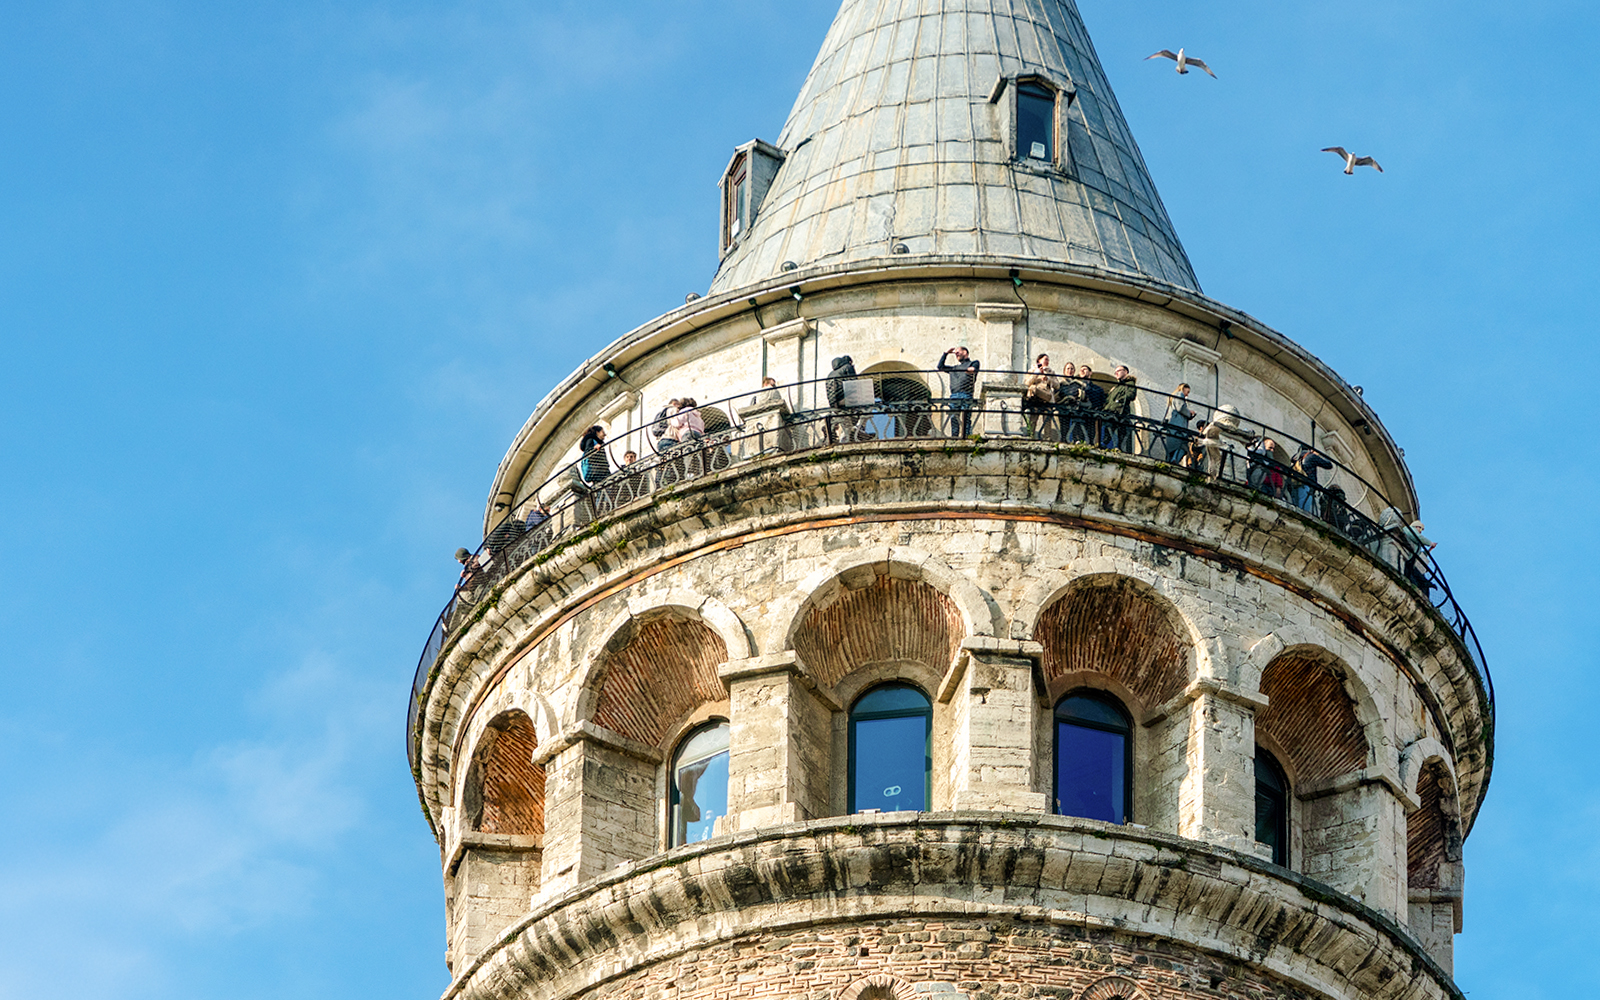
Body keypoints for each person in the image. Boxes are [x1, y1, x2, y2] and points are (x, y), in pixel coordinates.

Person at [937, 346, 980, 437]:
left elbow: (973, 369)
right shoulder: (954, 368)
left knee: (966, 417)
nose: (956, 354)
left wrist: (970, 370)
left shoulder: (974, 362)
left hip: (966, 393)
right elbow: (940, 367)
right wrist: (946, 353)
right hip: (954, 395)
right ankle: (954, 437)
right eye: (955, 353)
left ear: (965, 352)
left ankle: (967, 436)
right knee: (954, 418)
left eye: (958, 352)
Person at [1022, 353, 1059, 439]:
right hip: (1035, 399)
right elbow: (1027, 383)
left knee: (1047, 420)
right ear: (1039, 360)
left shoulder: (1051, 372)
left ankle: (1047, 438)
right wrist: (1036, 374)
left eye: (1048, 360)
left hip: (1047, 398)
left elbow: (1057, 385)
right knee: (1033, 419)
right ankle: (1031, 437)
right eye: (1045, 359)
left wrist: (1048, 379)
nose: (1047, 361)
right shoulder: (1032, 370)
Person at [1102, 365, 1137, 452]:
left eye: (1119, 371)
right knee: (1108, 430)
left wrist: (1119, 400)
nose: (1116, 373)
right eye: (1115, 372)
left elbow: (1131, 395)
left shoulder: (1129, 384)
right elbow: (1108, 400)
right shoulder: (1116, 387)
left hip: (1121, 411)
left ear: (1125, 372)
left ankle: (1118, 447)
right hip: (1111, 412)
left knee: (1120, 431)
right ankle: (1104, 445)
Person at [1289, 446, 1333, 513]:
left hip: (1294, 486)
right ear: (1309, 450)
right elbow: (1329, 465)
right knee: (1303, 511)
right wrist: (1320, 455)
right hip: (1306, 487)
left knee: (1295, 507)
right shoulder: (1311, 456)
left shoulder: (1296, 460)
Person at [1162, 384, 1196, 463]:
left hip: (1174, 426)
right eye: (1187, 391)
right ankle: (1174, 460)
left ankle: (1172, 459)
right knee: (1182, 446)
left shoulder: (1174, 397)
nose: (1187, 394)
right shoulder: (1179, 394)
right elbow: (1180, 407)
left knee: (1177, 446)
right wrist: (1189, 412)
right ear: (1183, 389)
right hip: (1177, 426)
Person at [1058, 362, 1089, 443]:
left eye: (1072, 369)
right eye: (1068, 368)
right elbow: (1056, 397)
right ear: (1064, 371)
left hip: (1075, 408)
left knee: (1077, 423)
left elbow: (1085, 393)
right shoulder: (1060, 385)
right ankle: (1064, 439)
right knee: (1064, 425)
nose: (1070, 370)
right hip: (1063, 408)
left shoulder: (1077, 383)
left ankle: (1077, 439)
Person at [1078, 364, 1106, 446]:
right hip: (1080, 414)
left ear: (1090, 373)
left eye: (1085, 369)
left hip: (1092, 414)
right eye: (1081, 370)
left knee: (1092, 434)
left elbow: (1102, 402)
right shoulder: (1076, 386)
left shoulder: (1098, 389)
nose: (1082, 370)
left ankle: (1094, 444)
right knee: (1079, 432)